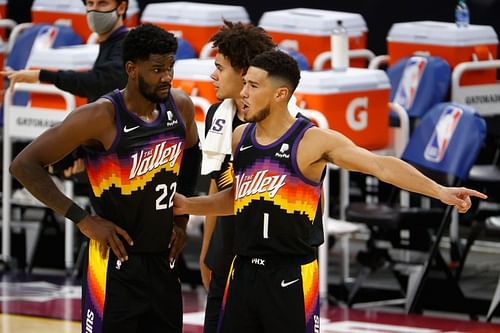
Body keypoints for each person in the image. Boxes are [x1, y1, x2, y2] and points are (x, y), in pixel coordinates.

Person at [174, 49, 487, 333]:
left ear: (281, 93)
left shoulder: (312, 140)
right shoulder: (240, 136)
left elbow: (382, 166)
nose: (243, 93)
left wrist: (439, 191)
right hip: (241, 271)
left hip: (291, 275)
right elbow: (236, 200)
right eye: (245, 84)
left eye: (253, 86)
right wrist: (189, 204)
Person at [10, 23, 200, 333]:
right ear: (131, 69)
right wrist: (82, 219)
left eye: (170, 67)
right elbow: (24, 165)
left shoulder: (180, 106)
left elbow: (193, 153)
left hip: (164, 263)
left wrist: (182, 218)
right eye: (157, 69)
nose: (167, 76)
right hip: (114, 264)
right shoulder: (101, 116)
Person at [200, 20, 325, 333]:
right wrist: (208, 252)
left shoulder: (298, 130)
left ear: (245, 73)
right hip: (231, 257)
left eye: (220, 67)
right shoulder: (219, 116)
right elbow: (218, 182)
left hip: (283, 265)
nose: (212, 75)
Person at [2, 0, 129, 103]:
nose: (94, 10)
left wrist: (40, 75)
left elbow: (97, 82)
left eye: (103, 3)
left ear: (121, 7)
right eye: (90, 3)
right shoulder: (108, 42)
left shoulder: (127, 45)